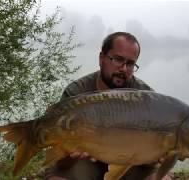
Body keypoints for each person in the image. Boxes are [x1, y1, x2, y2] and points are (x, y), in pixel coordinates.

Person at [44, 32, 169, 180]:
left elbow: (152, 163)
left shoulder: (146, 98)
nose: (123, 68)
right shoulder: (76, 93)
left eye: (130, 63)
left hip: (130, 164)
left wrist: (155, 156)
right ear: (101, 58)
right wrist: (69, 155)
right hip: (85, 164)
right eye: (117, 59)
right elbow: (61, 162)